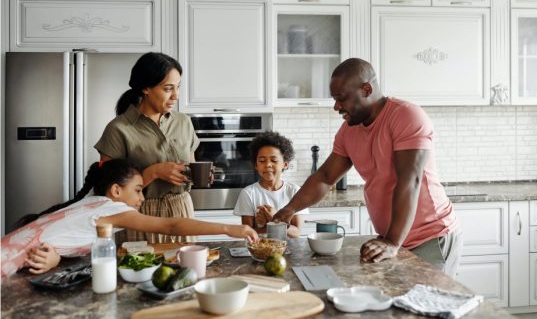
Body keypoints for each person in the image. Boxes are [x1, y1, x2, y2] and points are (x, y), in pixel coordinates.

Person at [272, 58, 462, 277]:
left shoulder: (406, 116)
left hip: (429, 238)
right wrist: (290, 208)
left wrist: (391, 241)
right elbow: (324, 177)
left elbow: (410, 181)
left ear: (366, 89)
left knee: (427, 309)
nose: (336, 106)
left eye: (341, 98)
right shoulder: (348, 130)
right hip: (391, 240)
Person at [1, 159, 258, 278]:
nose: (142, 198)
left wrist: (56, 256)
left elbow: (61, 238)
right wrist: (228, 228)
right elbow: (170, 225)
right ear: (115, 191)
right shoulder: (110, 209)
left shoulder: (90, 203)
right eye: (137, 190)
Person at [95, 52, 204, 243]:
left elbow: (191, 166)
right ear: (146, 88)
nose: (176, 96)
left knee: (187, 271)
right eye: (168, 88)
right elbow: (109, 194)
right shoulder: (118, 129)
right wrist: (153, 172)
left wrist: (197, 174)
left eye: (178, 87)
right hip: (141, 215)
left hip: (182, 209)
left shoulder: (183, 122)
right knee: (143, 271)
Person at [233, 131, 308, 238]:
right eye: (262, 160)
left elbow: (296, 233)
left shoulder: (294, 191)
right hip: (260, 251)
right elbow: (247, 233)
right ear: (256, 165)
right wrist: (272, 224)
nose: (268, 164)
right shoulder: (248, 193)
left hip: (290, 251)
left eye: (274, 160)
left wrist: (275, 219)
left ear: (285, 164)